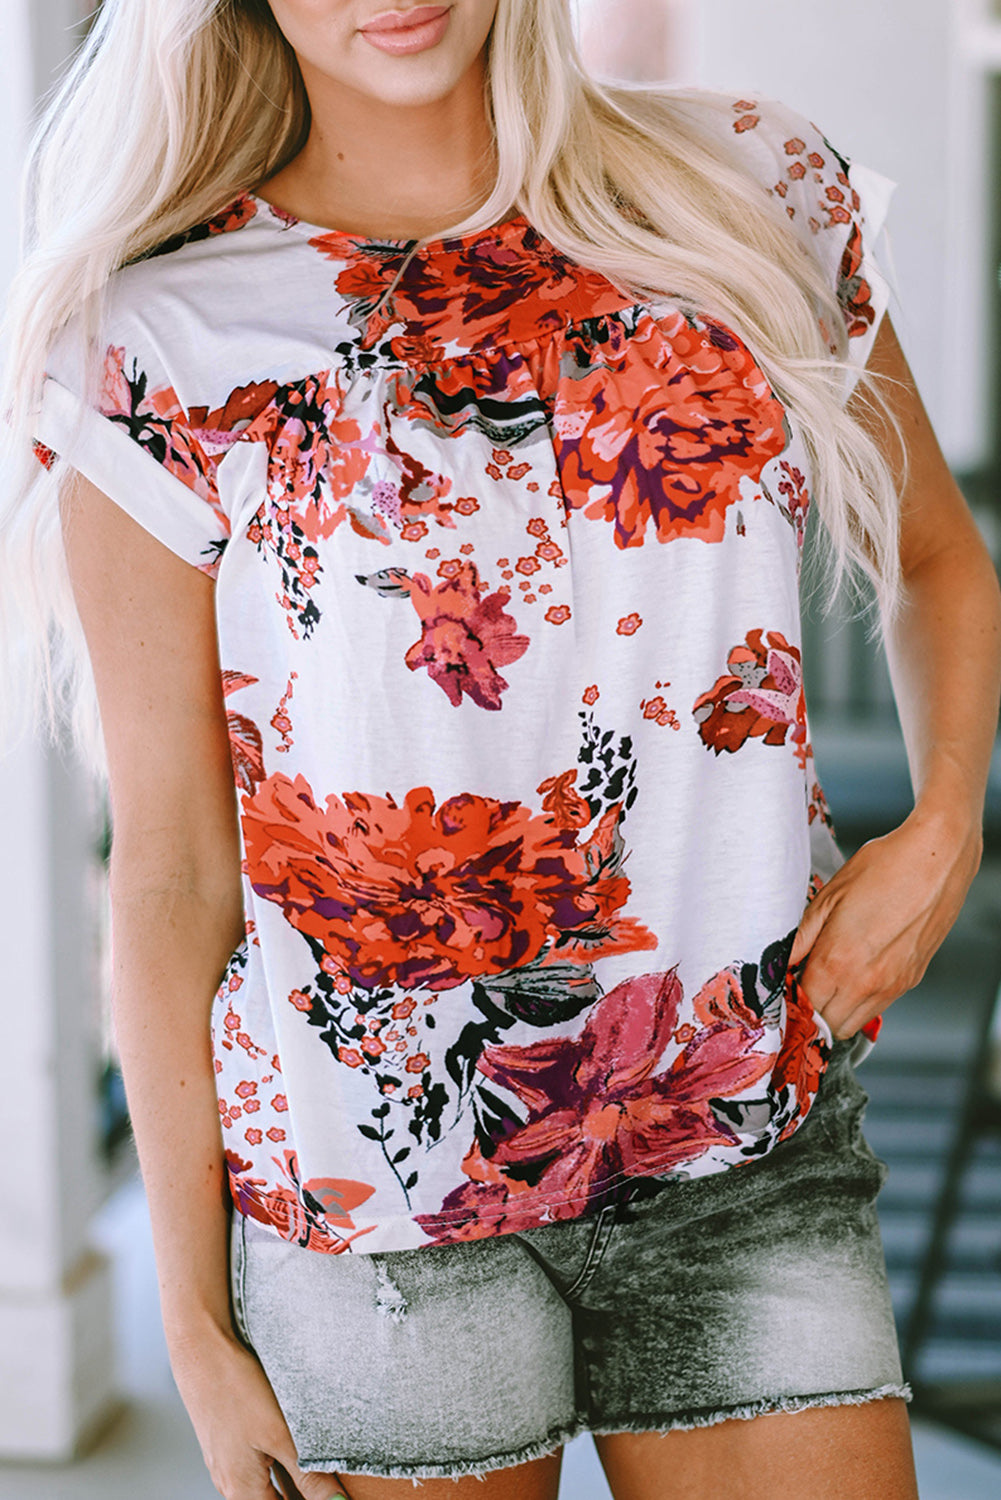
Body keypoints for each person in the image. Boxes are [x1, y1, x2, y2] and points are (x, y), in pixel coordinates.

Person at [2, 2, 999, 1497]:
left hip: (738, 1130)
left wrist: (941, 833)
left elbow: (932, 557)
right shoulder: (160, 341)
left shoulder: (749, 192)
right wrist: (198, 1333)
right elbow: (169, 867)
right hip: (371, 1202)